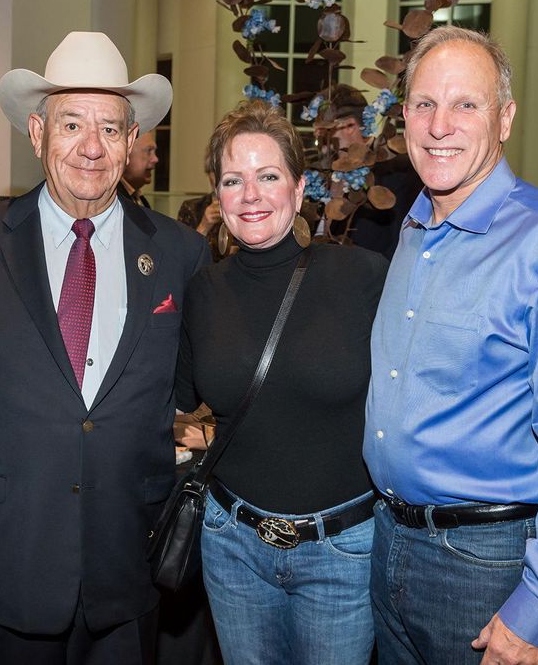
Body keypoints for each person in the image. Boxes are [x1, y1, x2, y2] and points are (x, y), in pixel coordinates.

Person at [364, 26, 538, 665]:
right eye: (425, 104)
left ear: (505, 118)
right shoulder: (409, 233)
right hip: (389, 544)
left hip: (485, 570)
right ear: (403, 116)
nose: (440, 125)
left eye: (467, 104)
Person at [0, 31, 208, 664]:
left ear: (133, 141)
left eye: (111, 129)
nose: (92, 147)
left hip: (128, 556)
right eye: (72, 125)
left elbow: (196, 388)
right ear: (37, 134)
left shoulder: (180, 254)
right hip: (12, 551)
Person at [175, 99, 388, 665]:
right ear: (217, 198)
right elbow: (182, 405)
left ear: (297, 190)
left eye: (268, 176)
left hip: (341, 551)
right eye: (232, 179)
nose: (250, 195)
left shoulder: (364, 278)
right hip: (232, 544)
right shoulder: (203, 293)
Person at [311, 84, 423, 258]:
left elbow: (401, 246)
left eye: (322, 128)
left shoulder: (396, 172)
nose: (316, 135)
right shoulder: (318, 174)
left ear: (349, 126)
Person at [120, 129, 158, 208]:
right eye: (149, 151)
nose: (155, 159)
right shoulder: (111, 202)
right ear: (126, 153)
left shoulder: (140, 199)